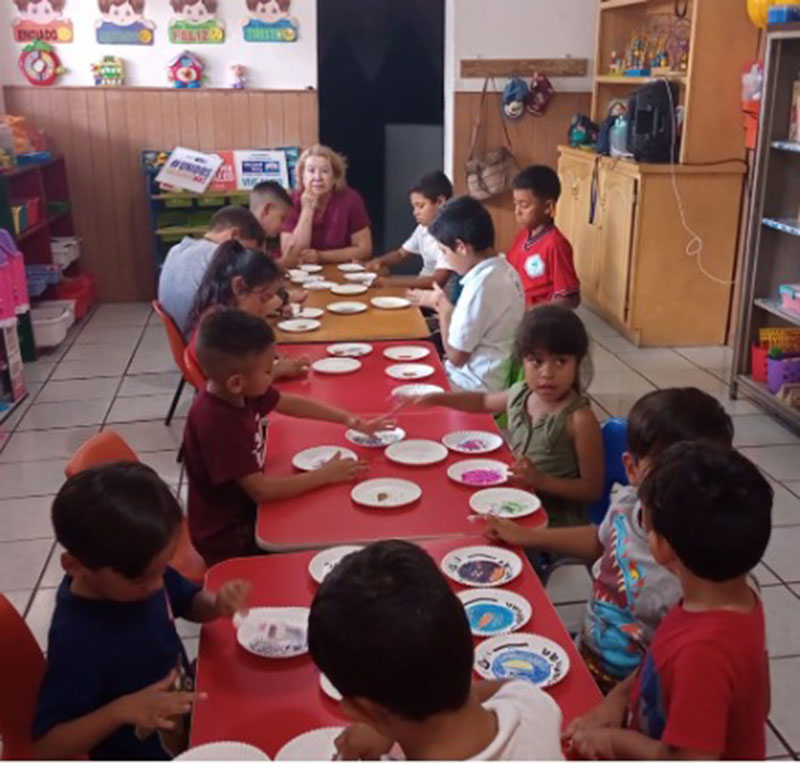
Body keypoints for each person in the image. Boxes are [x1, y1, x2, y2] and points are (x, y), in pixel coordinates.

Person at [486, 388, 734, 693]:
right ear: (632, 469)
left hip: (641, 693)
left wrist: (619, 703)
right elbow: (601, 540)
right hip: (586, 657)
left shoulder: (705, 565)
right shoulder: (629, 502)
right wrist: (529, 536)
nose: (685, 486)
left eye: (703, 473)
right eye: (669, 471)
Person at [566, 443, 772, 760]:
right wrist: (618, 699)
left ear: (661, 548)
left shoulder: (705, 652)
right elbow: (658, 659)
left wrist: (612, 742)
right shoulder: (724, 596)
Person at [32, 462, 250, 760]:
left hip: (192, 721)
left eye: (164, 568)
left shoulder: (143, 571)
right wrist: (121, 710)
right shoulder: (77, 638)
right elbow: (48, 746)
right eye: (142, 578)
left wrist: (216, 603)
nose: (158, 584)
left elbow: (188, 602)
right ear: (76, 566)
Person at [308, 540, 564, 760]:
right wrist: (388, 720)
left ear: (365, 711)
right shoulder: (535, 708)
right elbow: (512, 686)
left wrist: (390, 720)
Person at [182, 307, 389, 566]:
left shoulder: (239, 392)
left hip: (249, 513)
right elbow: (261, 490)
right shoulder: (217, 421)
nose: (274, 374)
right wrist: (325, 475)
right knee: (331, 537)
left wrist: (350, 420)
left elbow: (286, 402)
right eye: (269, 370)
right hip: (230, 538)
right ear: (236, 381)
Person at [408, 305, 602, 527]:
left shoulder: (579, 419)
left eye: (560, 362)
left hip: (555, 528)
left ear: (577, 363)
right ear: (522, 361)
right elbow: (482, 402)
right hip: (514, 507)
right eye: (537, 361)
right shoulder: (520, 393)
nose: (547, 373)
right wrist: (438, 398)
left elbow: (591, 489)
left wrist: (541, 481)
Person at [408, 196, 525, 392]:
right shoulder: (504, 269)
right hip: (486, 379)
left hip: (471, 388)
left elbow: (456, 357)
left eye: (444, 252)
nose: (445, 259)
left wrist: (443, 310)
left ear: (461, 247)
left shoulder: (481, 287)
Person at [186, 241, 310, 381]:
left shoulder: (223, 314)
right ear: (239, 286)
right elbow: (237, 383)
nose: (265, 308)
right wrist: (276, 371)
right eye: (263, 299)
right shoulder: (218, 327)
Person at [157, 205, 265, 336]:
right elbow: (246, 314)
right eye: (246, 252)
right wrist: (281, 298)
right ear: (234, 235)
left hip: (189, 342)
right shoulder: (220, 259)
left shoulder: (176, 249)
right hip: (210, 343)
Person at [280, 145, 372, 265]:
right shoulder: (291, 200)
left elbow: (364, 249)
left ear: (335, 177)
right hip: (299, 273)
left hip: (339, 270)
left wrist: (321, 257)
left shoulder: (351, 199)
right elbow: (291, 255)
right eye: (311, 171)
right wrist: (307, 210)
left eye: (325, 171)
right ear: (302, 175)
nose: (317, 177)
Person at [365, 171, 454, 290]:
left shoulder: (451, 234)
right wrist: (378, 261)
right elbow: (401, 254)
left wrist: (390, 282)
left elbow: (437, 281)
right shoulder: (423, 228)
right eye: (414, 207)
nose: (415, 212)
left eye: (421, 206)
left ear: (440, 202)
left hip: (439, 297)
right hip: (421, 289)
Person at [507, 165, 580, 310]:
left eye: (524, 205)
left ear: (548, 207)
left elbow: (570, 299)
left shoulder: (555, 245)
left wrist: (535, 311)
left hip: (538, 321)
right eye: (515, 204)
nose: (517, 212)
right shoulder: (522, 237)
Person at [248, 180, 294, 263]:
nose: (284, 226)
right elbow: (250, 273)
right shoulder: (243, 238)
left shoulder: (261, 237)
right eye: (282, 218)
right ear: (266, 210)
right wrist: (283, 263)